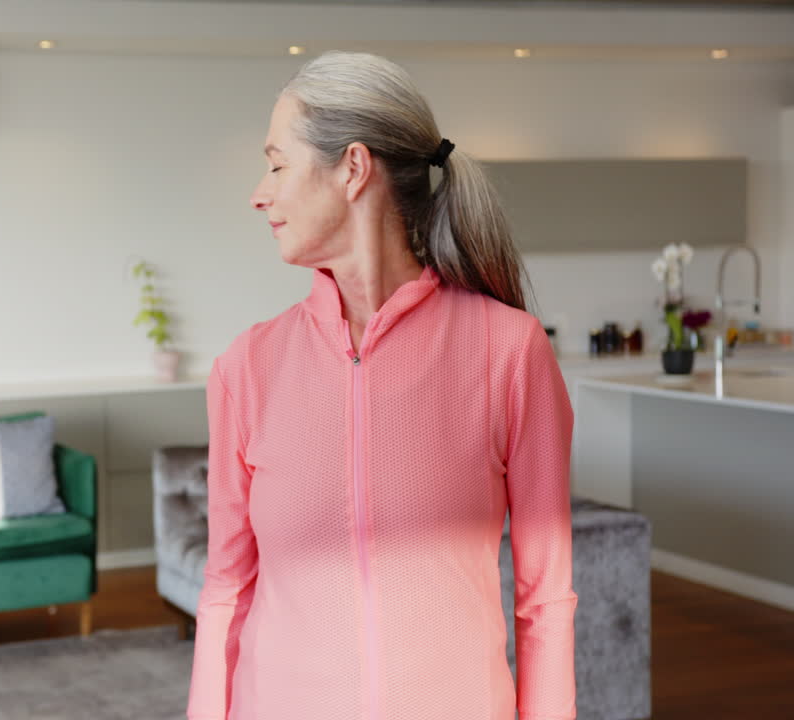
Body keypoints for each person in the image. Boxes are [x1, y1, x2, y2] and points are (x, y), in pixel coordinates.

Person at [186, 50, 577, 720]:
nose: (261, 191)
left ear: (353, 169)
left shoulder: (509, 352)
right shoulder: (246, 368)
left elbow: (546, 598)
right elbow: (226, 587)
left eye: (277, 164)